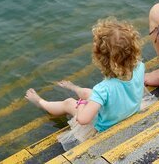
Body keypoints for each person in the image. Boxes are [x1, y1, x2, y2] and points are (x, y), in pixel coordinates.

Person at [25, 17, 146, 147]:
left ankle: (41, 102)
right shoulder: (140, 67)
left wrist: (81, 104)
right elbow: (121, 89)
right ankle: (74, 87)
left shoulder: (103, 89)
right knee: (91, 93)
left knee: (69, 103)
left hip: (105, 127)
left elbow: (82, 120)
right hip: (128, 111)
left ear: (100, 58)